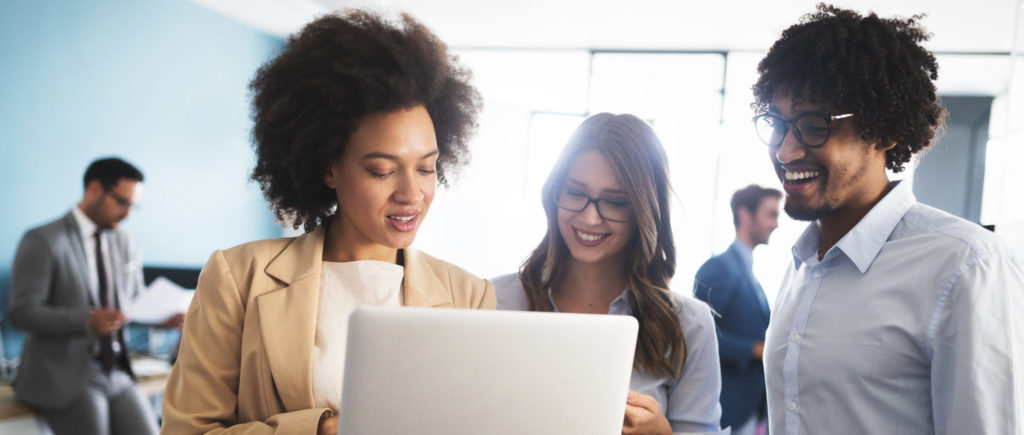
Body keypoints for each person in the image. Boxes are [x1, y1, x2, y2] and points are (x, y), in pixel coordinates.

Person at [160, 10, 493, 435]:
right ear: (328, 167)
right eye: (381, 169)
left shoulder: (470, 297)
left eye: (426, 168)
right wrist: (314, 431)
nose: (411, 193)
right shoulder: (238, 278)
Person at [752, 4, 1024, 434]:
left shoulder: (966, 267)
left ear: (885, 129)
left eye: (813, 125)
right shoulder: (802, 266)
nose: (786, 151)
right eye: (778, 125)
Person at [494, 113, 725, 435]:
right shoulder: (494, 301)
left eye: (615, 202)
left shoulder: (689, 325)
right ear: (554, 194)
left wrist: (662, 433)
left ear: (645, 211)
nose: (589, 219)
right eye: (575, 193)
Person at [9, 157, 182, 435]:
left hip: (118, 370)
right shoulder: (42, 239)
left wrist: (160, 319)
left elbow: (133, 305)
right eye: (122, 202)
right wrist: (86, 321)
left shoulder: (126, 242)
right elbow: (21, 312)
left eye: (133, 206)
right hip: (67, 374)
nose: (128, 214)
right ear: (94, 189)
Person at [693, 184, 779, 435]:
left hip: (753, 411)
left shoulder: (751, 275)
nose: (776, 224)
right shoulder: (718, 268)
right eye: (771, 214)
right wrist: (759, 349)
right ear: (744, 214)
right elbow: (701, 336)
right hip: (727, 411)